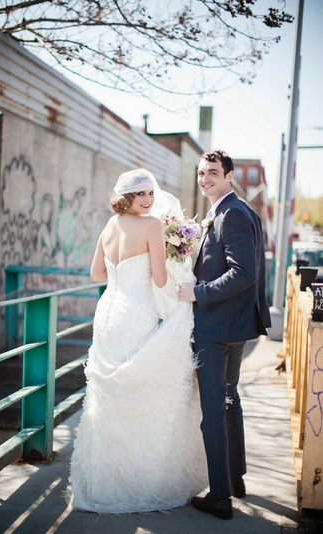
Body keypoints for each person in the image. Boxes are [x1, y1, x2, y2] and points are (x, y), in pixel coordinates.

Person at [68, 168, 207, 514]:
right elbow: (160, 280)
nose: (148, 200)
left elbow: (97, 274)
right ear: (127, 197)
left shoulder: (109, 225)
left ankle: (103, 479)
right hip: (135, 314)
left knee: (111, 392)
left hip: (107, 314)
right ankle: (136, 478)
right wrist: (178, 260)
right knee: (137, 389)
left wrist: (125, 273)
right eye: (141, 194)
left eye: (150, 193)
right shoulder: (152, 226)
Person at [178, 150, 271, 520]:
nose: (205, 179)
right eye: (201, 173)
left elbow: (244, 272)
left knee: (213, 411)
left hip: (216, 327)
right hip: (234, 325)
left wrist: (198, 293)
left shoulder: (231, 213)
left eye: (213, 173)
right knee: (230, 399)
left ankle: (219, 498)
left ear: (230, 176)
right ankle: (234, 479)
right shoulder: (235, 211)